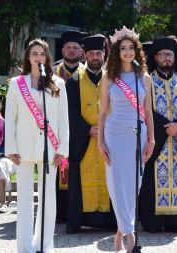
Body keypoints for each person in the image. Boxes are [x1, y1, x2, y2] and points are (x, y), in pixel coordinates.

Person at [5, 39, 69, 253]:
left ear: (47, 57)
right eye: (34, 53)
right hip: (23, 146)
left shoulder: (58, 83)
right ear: (27, 57)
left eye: (42, 53)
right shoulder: (16, 83)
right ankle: (25, 250)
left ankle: (44, 246)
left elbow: (63, 119)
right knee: (24, 199)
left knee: (48, 199)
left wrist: (63, 147)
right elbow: (10, 118)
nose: (38, 57)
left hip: (49, 147)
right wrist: (10, 146)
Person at [97, 26, 155, 253]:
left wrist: (151, 140)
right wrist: (100, 141)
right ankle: (130, 234)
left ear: (137, 51)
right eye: (123, 48)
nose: (128, 52)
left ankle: (122, 230)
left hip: (137, 136)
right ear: (117, 52)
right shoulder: (109, 78)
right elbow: (102, 113)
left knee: (134, 186)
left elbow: (148, 112)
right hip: (114, 135)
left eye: (131, 48)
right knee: (116, 185)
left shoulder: (145, 78)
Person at [140, 37, 177, 233]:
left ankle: (174, 221)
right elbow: (144, 109)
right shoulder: (146, 80)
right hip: (156, 139)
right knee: (153, 178)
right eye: (162, 54)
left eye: (169, 55)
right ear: (155, 58)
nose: (166, 58)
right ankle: (153, 222)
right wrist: (166, 126)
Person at [65, 35, 116, 234]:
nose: (95, 57)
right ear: (84, 55)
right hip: (84, 141)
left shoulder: (113, 80)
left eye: (99, 53)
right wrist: (87, 129)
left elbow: (119, 108)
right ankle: (79, 220)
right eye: (91, 53)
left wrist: (106, 129)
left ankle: (109, 221)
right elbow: (69, 112)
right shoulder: (74, 81)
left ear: (104, 54)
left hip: (109, 139)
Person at [53, 30, 86, 222]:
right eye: (68, 48)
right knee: (59, 172)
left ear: (81, 51)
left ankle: (76, 210)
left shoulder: (87, 73)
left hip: (81, 131)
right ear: (62, 49)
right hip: (56, 132)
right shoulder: (52, 72)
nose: (72, 51)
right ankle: (59, 213)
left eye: (76, 48)